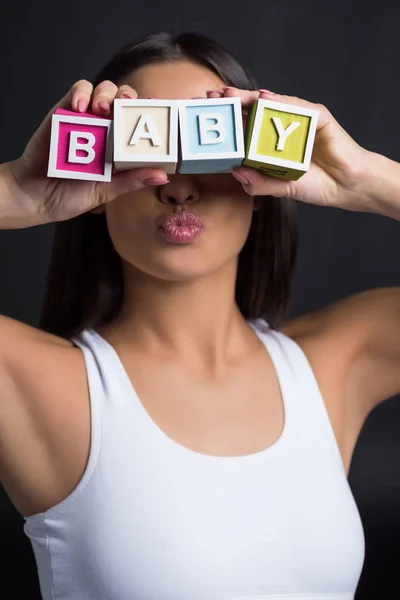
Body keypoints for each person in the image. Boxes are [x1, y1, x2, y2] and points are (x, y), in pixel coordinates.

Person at [1, 30, 400, 600]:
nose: (179, 187)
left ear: (260, 168)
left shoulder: (341, 362)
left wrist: (367, 179)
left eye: (209, 145)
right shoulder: (30, 381)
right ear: (95, 166)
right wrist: (19, 190)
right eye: (147, 144)